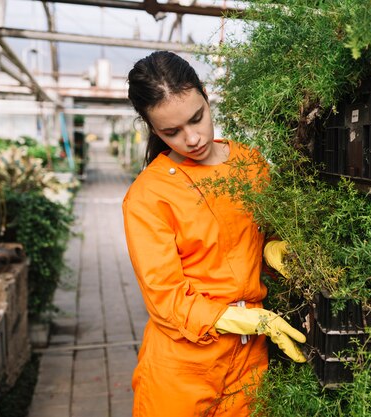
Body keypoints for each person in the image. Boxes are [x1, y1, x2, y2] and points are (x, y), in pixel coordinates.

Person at [122, 51, 306, 417]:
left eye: (197, 118)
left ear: (206, 96)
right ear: (152, 128)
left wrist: (272, 250)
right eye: (171, 132)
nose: (192, 138)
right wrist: (240, 318)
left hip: (249, 358)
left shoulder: (250, 163)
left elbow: (256, 240)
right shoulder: (148, 195)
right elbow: (166, 299)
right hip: (182, 366)